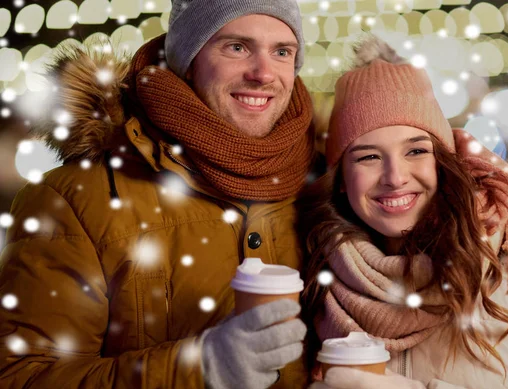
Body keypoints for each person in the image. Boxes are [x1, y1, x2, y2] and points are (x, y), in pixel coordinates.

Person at [0, 0, 313, 388]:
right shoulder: (73, 199)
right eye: (237, 47)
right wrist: (200, 368)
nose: (264, 73)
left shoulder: (322, 185)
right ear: (188, 60)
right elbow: (21, 377)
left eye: (282, 51)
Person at [300, 36, 508, 389]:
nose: (395, 178)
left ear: (443, 162)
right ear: (340, 180)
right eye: (368, 157)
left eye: (415, 152)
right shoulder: (314, 276)